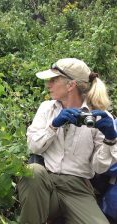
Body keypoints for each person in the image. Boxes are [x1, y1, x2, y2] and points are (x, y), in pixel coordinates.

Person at [18, 58, 117, 224]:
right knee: (33, 171)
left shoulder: (98, 115)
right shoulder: (46, 108)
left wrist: (110, 139)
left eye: (53, 80)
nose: (48, 84)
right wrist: (53, 126)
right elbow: (33, 146)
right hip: (46, 184)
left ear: (70, 85)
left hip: (78, 189)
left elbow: (99, 168)